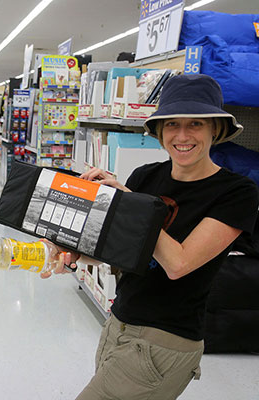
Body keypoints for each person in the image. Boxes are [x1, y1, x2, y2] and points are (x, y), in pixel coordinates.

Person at [40, 74, 258, 400]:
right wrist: (71, 255)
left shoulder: (237, 192)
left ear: (215, 129)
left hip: (165, 340)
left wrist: (128, 203)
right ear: (158, 132)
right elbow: (121, 250)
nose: (182, 135)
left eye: (195, 124)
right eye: (171, 124)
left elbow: (178, 263)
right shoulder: (146, 176)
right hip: (120, 324)